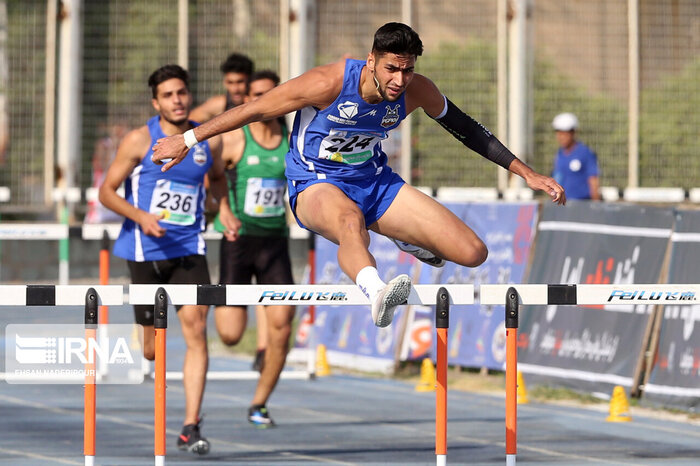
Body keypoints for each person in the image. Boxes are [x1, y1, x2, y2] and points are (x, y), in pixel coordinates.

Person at [152, 22, 566, 330]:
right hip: (315, 182)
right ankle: (376, 292)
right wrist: (187, 139)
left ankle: (402, 236)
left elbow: (467, 129)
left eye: (406, 70)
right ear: (371, 61)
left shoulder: (416, 89)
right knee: (350, 223)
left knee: (473, 252)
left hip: (374, 182)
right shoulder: (329, 82)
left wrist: (525, 173)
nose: (398, 81)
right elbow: (254, 110)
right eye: (391, 69)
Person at [98, 64, 238, 456]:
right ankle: (148, 340)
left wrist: (222, 206)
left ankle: (190, 425)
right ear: (155, 102)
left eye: (182, 92)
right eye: (168, 95)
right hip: (144, 251)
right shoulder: (139, 140)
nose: (177, 100)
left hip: (190, 248)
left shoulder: (207, 140)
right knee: (151, 350)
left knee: (196, 328)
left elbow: (219, 178)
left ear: (189, 95)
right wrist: (141, 216)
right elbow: (106, 192)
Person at [211, 70, 295, 428]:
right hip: (238, 243)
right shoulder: (234, 138)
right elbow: (208, 177)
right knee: (230, 335)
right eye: (257, 94)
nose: (263, 101)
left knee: (282, 326)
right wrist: (224, 210)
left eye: (270, 94)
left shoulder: (293, 138)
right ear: (247, 100)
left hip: (274, 243)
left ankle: (259, 403)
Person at [189, 52, 254, 123]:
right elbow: (189, 121)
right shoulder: (219, 104)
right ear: (224, 82)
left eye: (240, 82)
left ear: (250, 81)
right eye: (230, 82)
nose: (235, 89)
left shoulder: (258, 103)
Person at [551, 112, 600, 200]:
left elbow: (593, 181)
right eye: (559, 133)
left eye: (564, 133)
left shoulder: (585, 153)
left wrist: (596, 207)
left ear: (573, 133)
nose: (561, 137)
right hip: (563, 204)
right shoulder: (559, 154)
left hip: (582, 205)